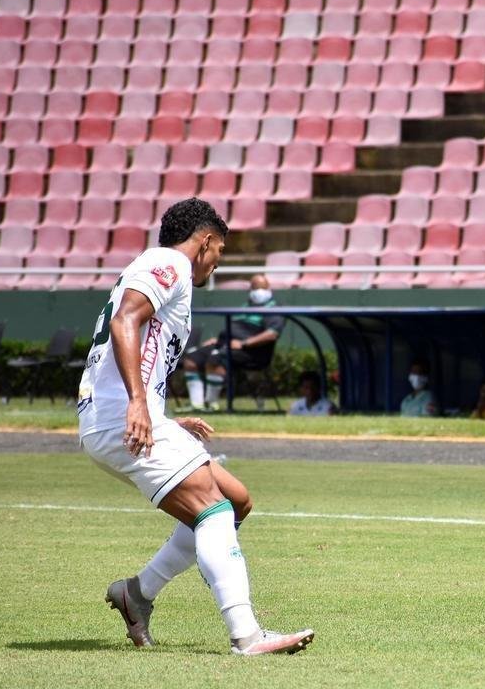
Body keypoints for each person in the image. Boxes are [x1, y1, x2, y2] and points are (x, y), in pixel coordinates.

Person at [77, 198, 313, 655]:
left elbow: (139, 343)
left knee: (237, 501)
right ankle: (246, 635)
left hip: (117, 414)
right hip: (117, 417)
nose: (217, 263)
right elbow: (126, 321)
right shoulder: (170, 264)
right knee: (213, 508)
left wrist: (157, 410)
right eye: (219, 251)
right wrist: (138, 404)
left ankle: (137, 593)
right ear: (205, 242)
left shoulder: (163, 269)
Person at [181, 274, 284, 410]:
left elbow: (272, 334)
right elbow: (233, 329)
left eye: (261, 287)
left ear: (269, 288)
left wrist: (244, 343)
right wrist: (218, 341)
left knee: (215, 358)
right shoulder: (245, 306)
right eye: (255, 287)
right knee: (191, 359)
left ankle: (211, 404)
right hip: (225, 344)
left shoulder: (274, 309)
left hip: (250, 351)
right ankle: (196, 404)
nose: (258, 291)